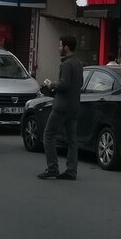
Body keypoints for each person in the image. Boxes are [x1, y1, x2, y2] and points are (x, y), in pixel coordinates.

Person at [38, 35, 83, 181]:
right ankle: (71, 171)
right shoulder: (79, 63)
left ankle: (52, 168)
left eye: (60, 46)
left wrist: (52, 85)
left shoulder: (66, 64)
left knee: (48, 135)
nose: (58, 49)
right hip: (74, 106)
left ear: (66, 47)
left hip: (61, 106)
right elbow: (80, 84)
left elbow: (64, 84)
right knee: (72, 140)